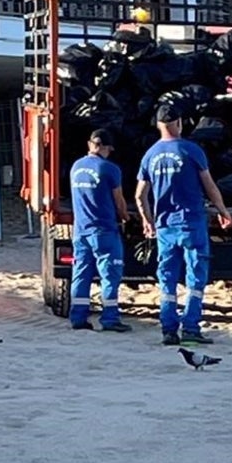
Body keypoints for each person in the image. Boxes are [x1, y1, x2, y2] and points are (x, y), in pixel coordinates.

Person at [136, 103, 232, 346]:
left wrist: (148, 221)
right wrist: (222, 209)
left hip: (165, 226)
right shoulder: (192, 150)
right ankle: (190, 328)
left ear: (158, 126)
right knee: (195, 278)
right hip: (191, 223)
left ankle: (168, 329)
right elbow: (209, 184)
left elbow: (139, 195)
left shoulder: (150, 155)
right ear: (179, 123)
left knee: (167, 278)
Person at [68, 128, 131, 333]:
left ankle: (78, 317)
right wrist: (125, 217)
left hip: (81, 230)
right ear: (104, 147)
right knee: (110, 275)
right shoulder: (109, 169)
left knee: (81, 273)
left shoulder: (76, 167)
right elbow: (119, 200)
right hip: (103, 230)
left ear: (90, 144)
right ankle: (110, 318)